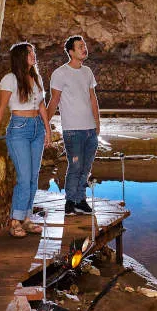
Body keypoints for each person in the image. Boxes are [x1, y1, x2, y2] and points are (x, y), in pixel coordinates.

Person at [0, 42, 51, 237]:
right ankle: (15, 220)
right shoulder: (10, 79)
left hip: (37, 129)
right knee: (24, 178)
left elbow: (41, 106)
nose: (33, 55)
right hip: (19, 129)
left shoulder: (36, 77)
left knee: (33, 178)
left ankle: (27, 218)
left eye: (33, 52)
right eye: (29, 53)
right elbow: (1, 106)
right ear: (20, 57)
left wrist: (47, 130)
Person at [47, 35, 100, 215]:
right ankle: (70, 201)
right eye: (80, 46)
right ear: (71, 52)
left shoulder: (87, 72)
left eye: (84, 45)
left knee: (86, 167)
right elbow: (54, 100)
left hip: (90, 129)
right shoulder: (60, 73)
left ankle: (81, 200)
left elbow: (93, 98)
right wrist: (45, 124)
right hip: (73, 130)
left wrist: (97, 122)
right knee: (75, 166)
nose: (84, 48)